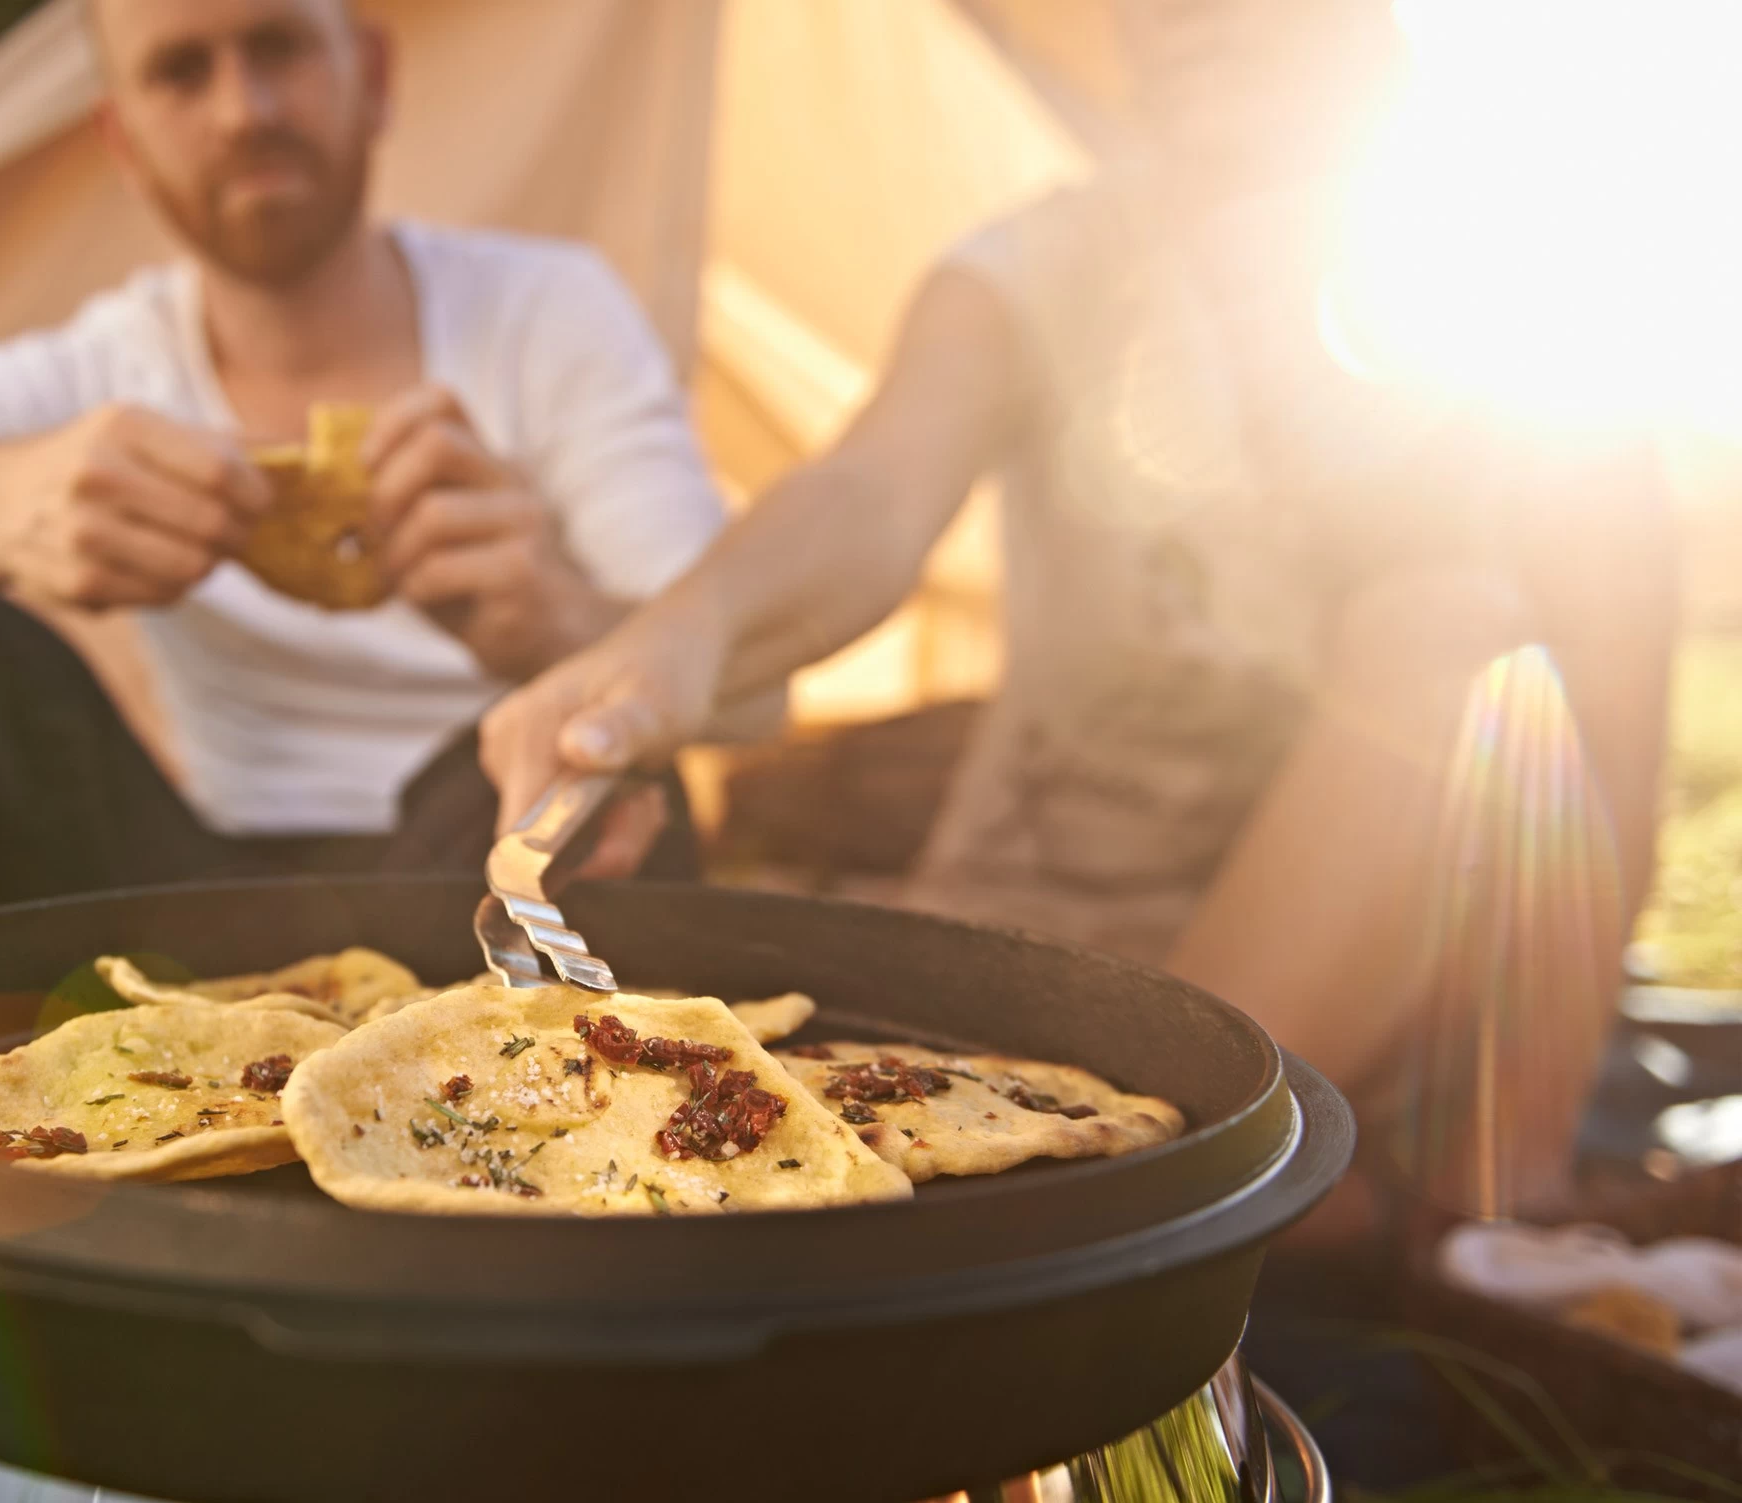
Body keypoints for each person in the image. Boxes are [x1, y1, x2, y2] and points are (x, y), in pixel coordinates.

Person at [480, 0, 1677, 1227]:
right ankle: (1263, 1199)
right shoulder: (1053, 264)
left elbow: (1610, 749)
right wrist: (677, 636)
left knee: (1453, 631)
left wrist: (1517, 1169)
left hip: (1378, 1022)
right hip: (1040, 975)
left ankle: (1206, 1190)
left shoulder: (1517, 301)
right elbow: (873, 488)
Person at [0, 0, 720, 1088]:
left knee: (610, 772)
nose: (242, 110)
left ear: (370, 79)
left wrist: (560, 619)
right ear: (121, 139)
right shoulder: (99, 372)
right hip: (178, 886)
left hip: (478, 863)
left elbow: (748, 677)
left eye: (278, 46)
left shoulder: (549, 315)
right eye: (183, 71)